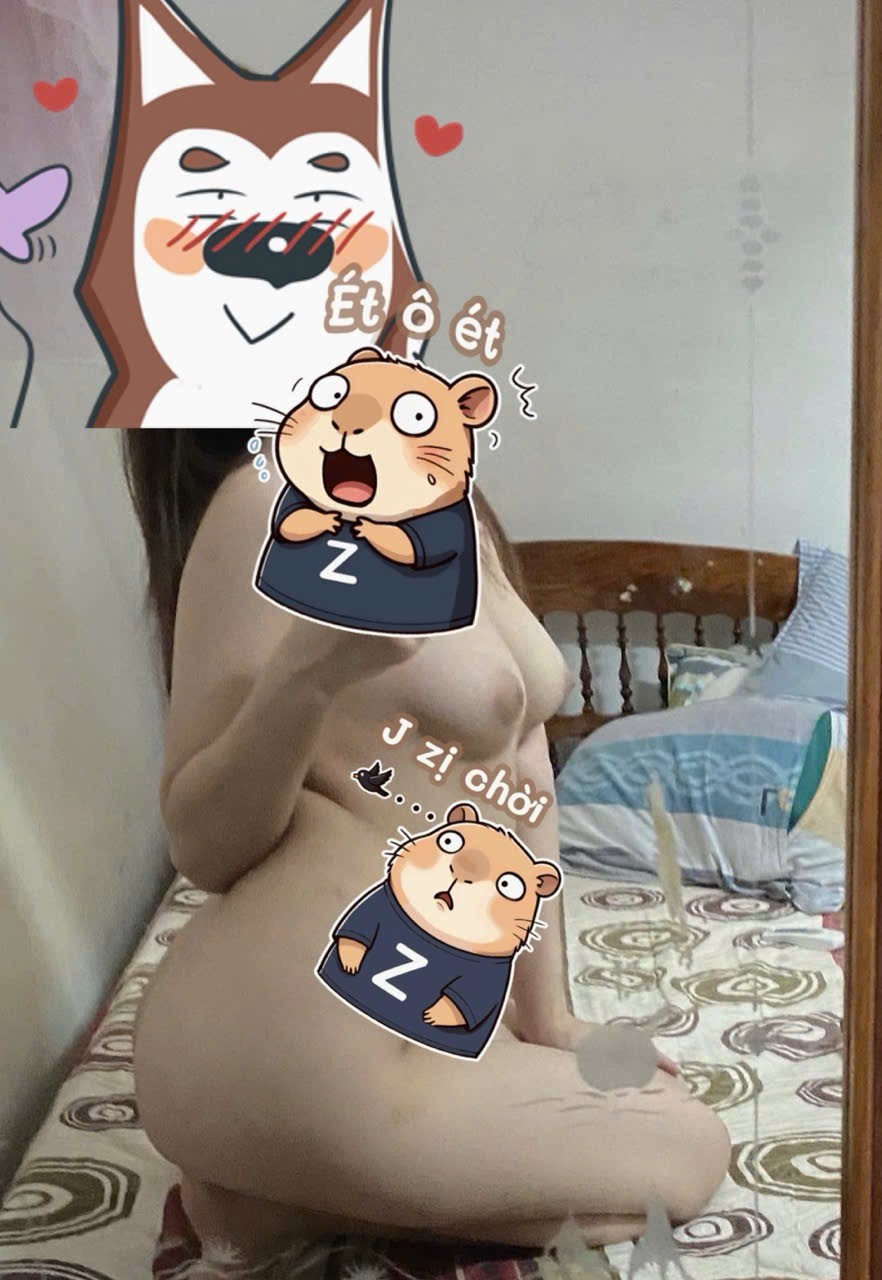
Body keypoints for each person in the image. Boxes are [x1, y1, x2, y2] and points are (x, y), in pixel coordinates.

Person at [129, 431, 730, 1269]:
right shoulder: (263, 502)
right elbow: (202, 846)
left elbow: (524, 779)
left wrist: (545, 1016)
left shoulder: (451, 508)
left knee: (666, 1120)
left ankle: (278, 1199)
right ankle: (287, 1173)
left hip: (416, 1003)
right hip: (303, 1020)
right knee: (689, 1148)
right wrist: (307, 674)